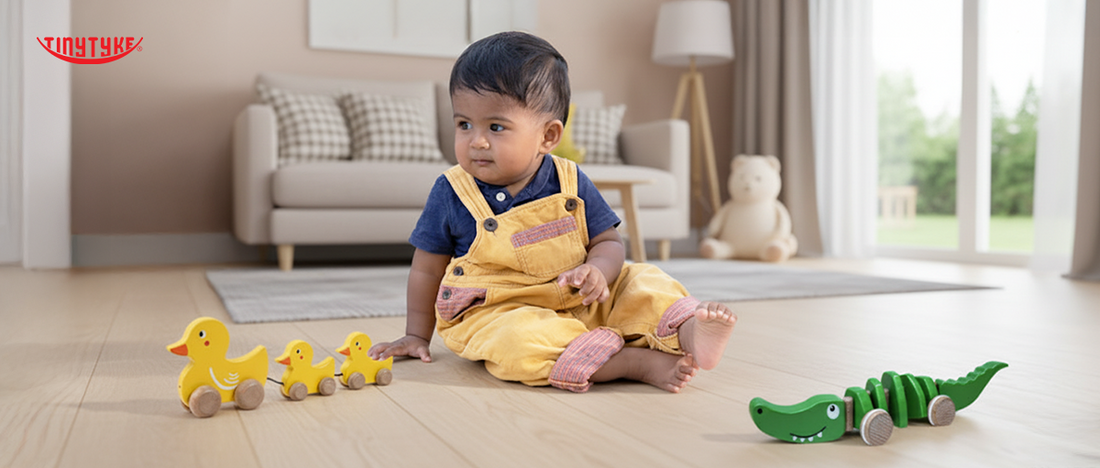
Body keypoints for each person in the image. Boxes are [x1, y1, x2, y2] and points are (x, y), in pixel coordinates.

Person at [368, 31, 736, 393]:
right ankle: (630, 362)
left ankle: (688, 330)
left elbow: (608, 241)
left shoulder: (570, 180)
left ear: (547, 136)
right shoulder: (452, 191)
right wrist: (416, 335)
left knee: (644, 281)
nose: (476, 141)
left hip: (584, 301)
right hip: (500, 311)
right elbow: (426, 268)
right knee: (517, 343)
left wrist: (598, 270)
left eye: (495, 127)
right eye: (464, 124)